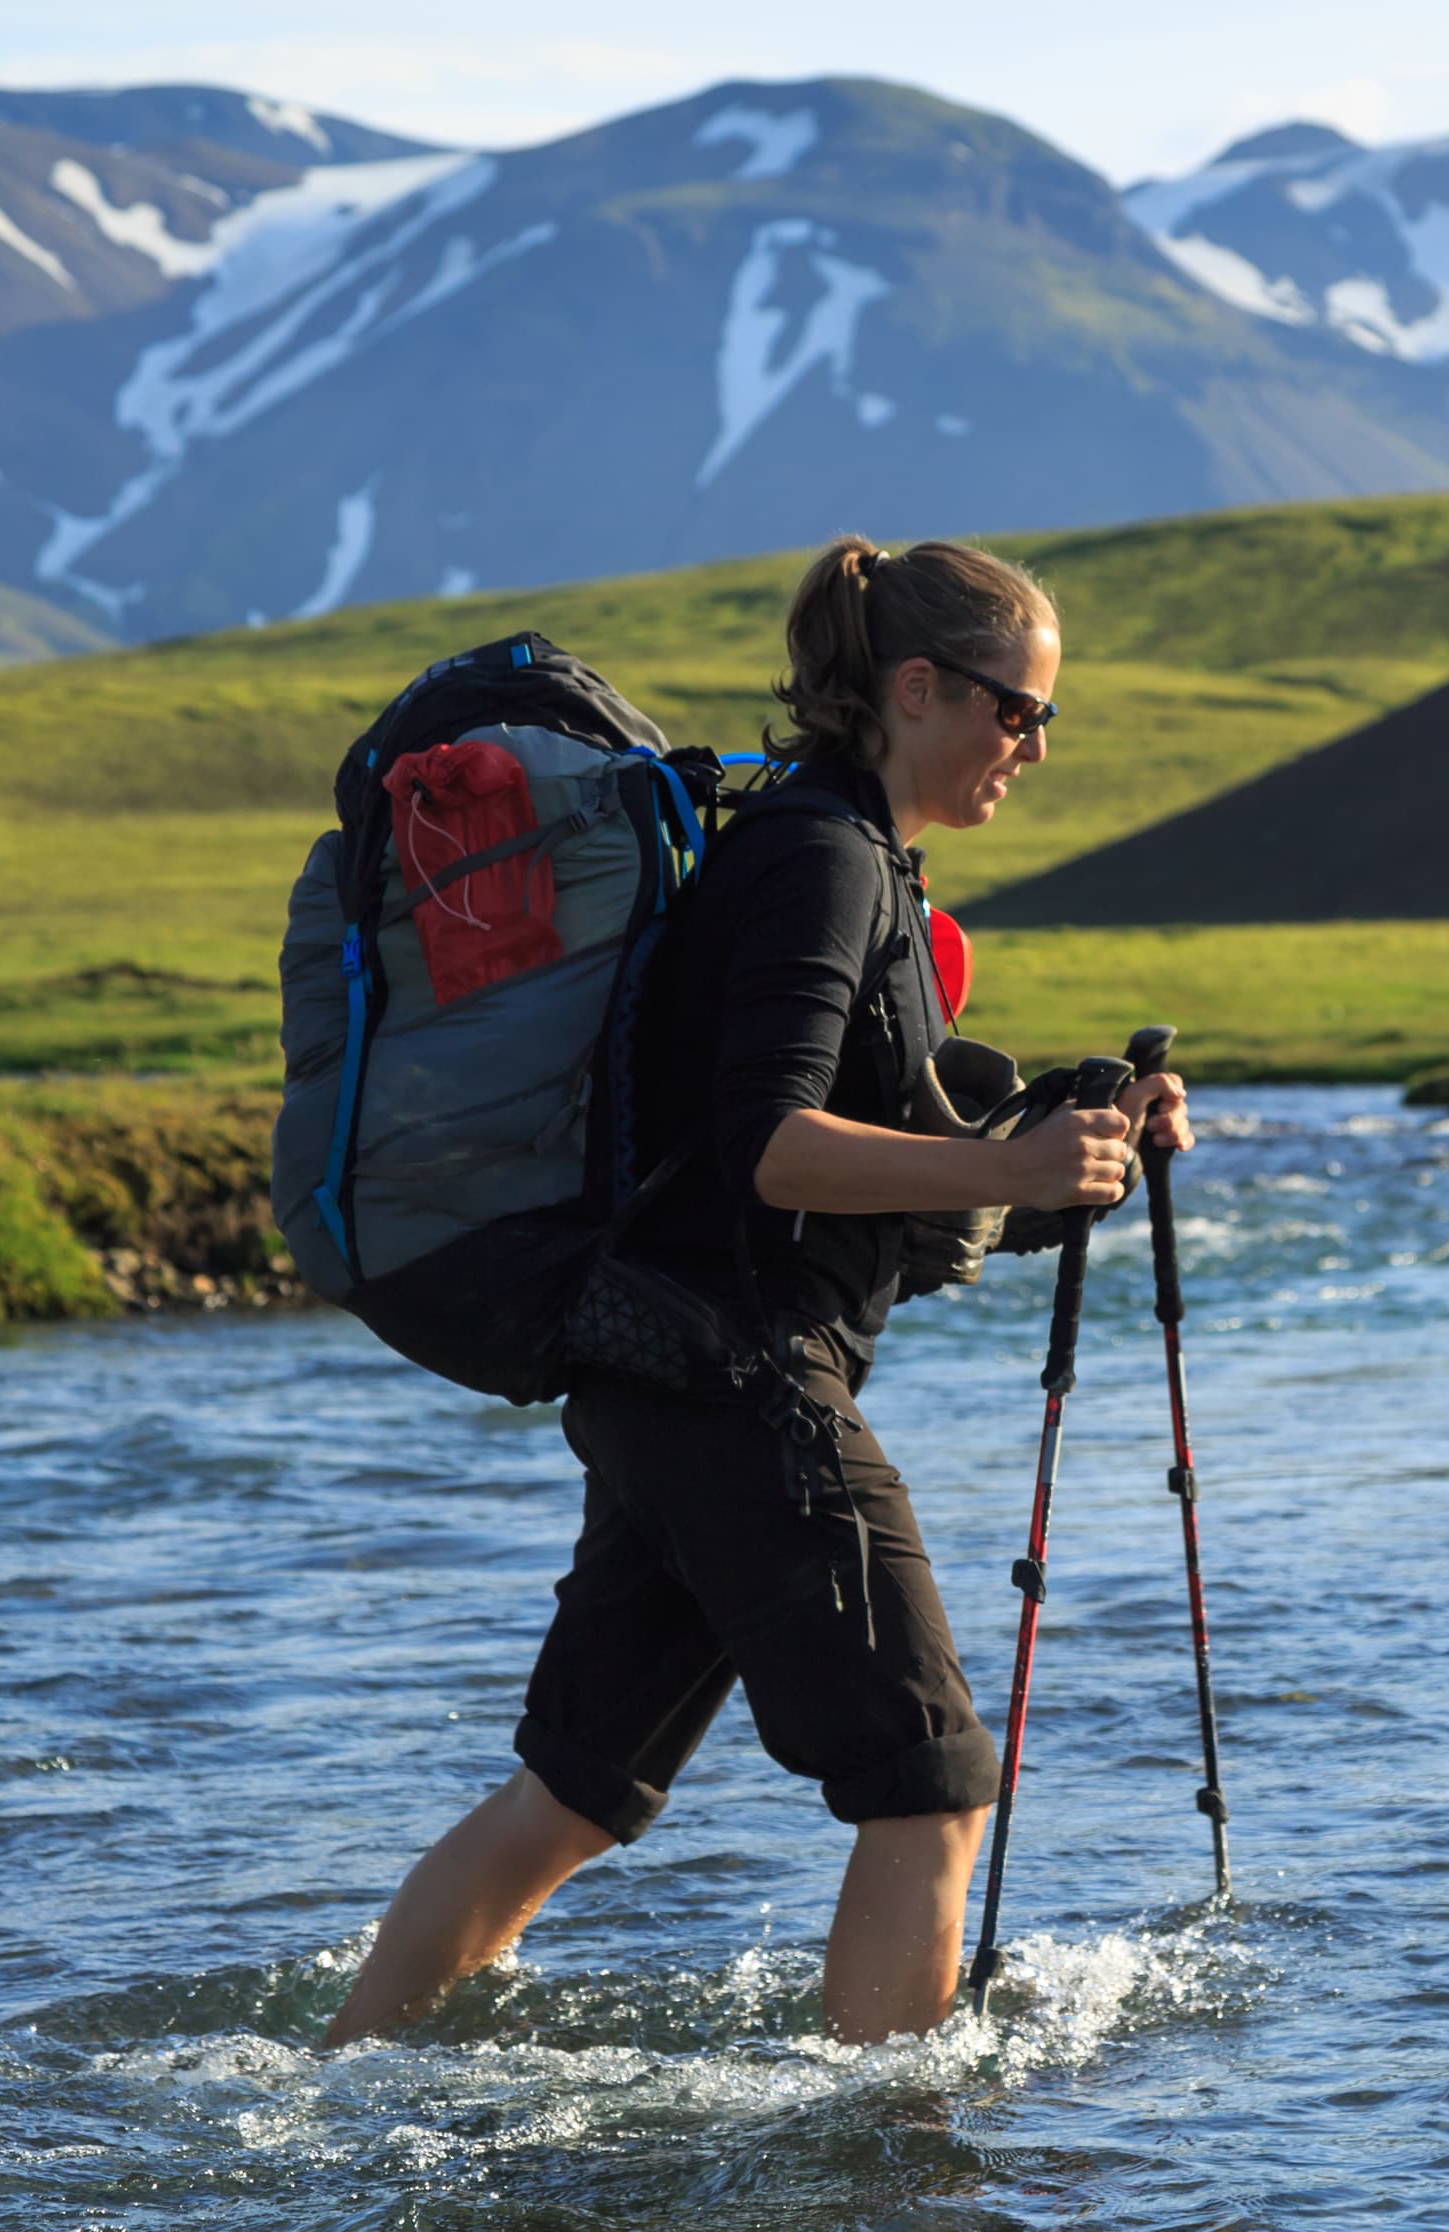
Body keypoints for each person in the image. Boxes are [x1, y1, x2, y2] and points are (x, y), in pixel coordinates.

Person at [322, 536, 1193, 2049]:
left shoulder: (842, 853)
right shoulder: (821, 862)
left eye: (1045, 719)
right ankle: (892, 2154)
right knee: (933, 1789)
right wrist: (1020, 1168)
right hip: (739, 1391)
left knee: (573, 1794)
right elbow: (778, 1150)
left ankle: (333, 2088)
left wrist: (1077, 1139)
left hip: (675, 1381)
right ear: (914, 689)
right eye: (1015, 711)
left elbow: (892, 1207)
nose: (1033, 748)